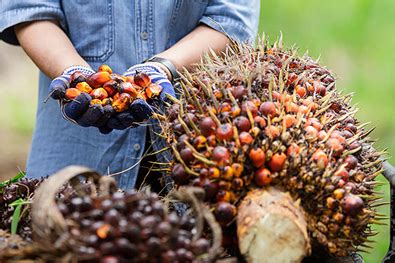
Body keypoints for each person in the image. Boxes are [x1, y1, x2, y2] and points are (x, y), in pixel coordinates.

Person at [0, 1, 260, 190]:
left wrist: (163, 67)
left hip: (190, 149)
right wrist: (73, 72)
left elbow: (231, 19)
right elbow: (29, 10)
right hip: (77, 155)